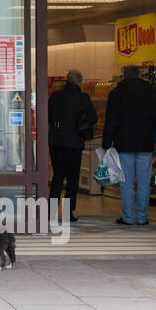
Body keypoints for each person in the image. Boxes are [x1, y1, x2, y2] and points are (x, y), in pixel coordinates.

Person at [102, 64, 156, 226]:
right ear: (140, 75)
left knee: (126, 182)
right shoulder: (151, 92)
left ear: (124, 75)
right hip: (145, 143)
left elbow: (110, 120)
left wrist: (106, 142)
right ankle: (142, 216)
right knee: (144, 182)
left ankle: (127, 217)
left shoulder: (116, 94)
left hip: (124, 144)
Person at [47, 70, 98, 223]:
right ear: (80, 82)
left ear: (66, 80)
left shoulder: (55, 96)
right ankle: (68, 212)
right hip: (75, 143)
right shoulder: (83, 98)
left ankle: (50, 212)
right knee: (72, 179)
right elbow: (93, 118)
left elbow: (48, 116)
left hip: (56, 142)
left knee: (57, 177)